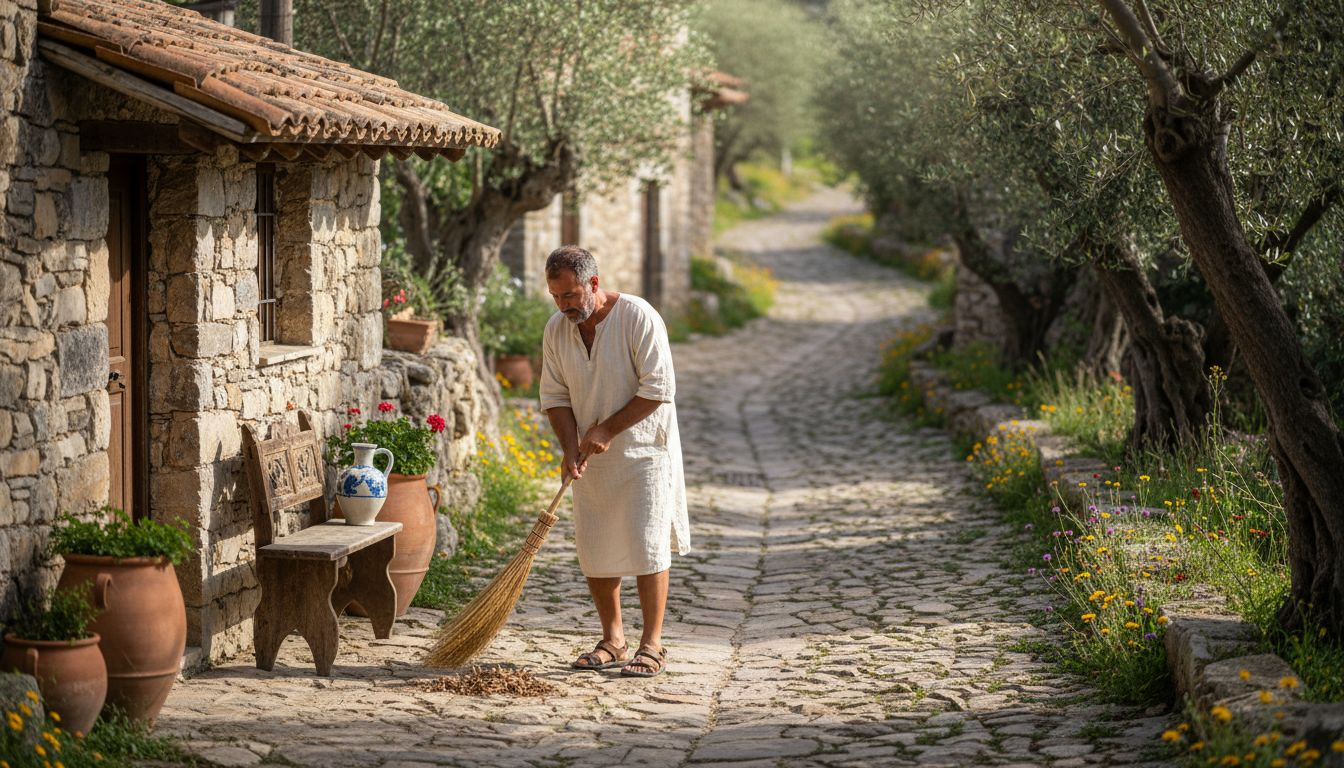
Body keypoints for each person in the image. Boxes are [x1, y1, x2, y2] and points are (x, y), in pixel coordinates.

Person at [538, 245, 690, 678]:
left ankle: (652, 644)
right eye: (555, 296)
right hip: (590, 455)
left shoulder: (637, 316)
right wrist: (570, 447)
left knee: (646, 543)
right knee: (596, 544)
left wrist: (606, 429)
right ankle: (614, 639)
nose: (563, 305)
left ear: (594, 284)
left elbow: (659, 387)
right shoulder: (556, 330)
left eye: (569, 295)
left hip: (644, 450)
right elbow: (555, 397)